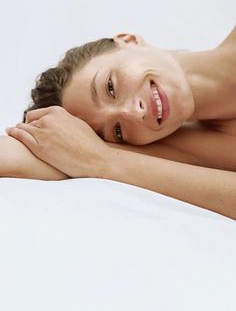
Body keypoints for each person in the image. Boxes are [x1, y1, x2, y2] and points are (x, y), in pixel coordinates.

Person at [1, 27, 236, 220]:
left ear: (129, 40)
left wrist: (103, 160)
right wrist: (101, 159)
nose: (134, 113)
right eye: (117, 131)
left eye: (110, 88)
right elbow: (32, 154)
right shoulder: (182, 148)